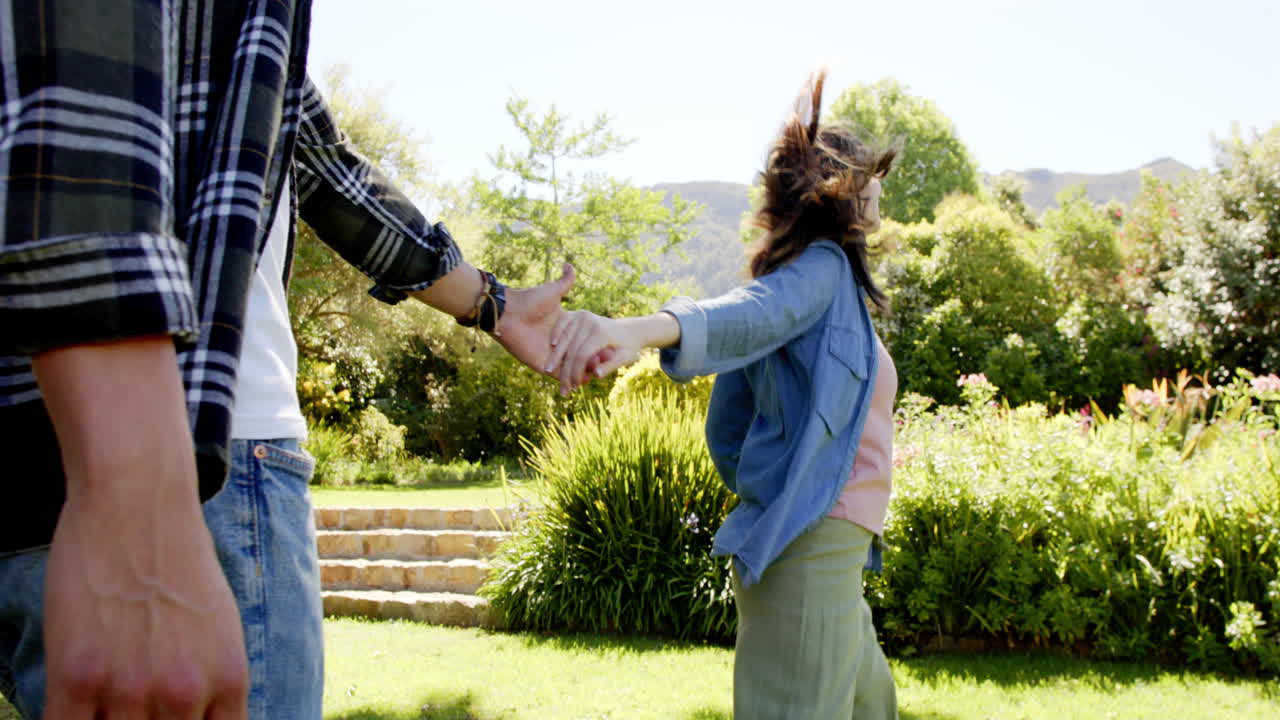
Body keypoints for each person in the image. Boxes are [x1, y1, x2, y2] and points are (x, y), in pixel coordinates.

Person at [0, 1, 574, 718]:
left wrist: (495, 304)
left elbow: (323, 163)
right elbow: (83, 106)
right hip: (189, 459)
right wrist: (135, 493)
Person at [547, 70, 900, 719]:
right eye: (871, 175)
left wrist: (773, 488)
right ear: (841, 185)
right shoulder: (818, 270)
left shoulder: (834, 285)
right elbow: (746, 316)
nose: (881, 188)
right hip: (812, 542)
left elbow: (729, 426)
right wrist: (641, 331)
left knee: (869, 705)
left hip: (827, 547)